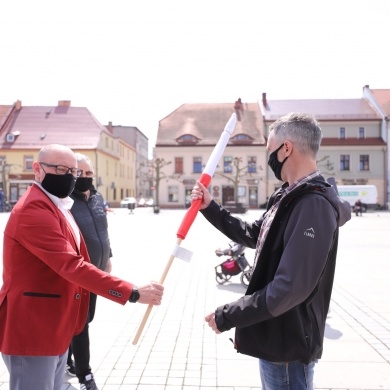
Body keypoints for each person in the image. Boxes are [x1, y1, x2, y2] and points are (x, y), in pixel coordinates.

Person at [191, 112, 351, 389]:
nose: (269, 158)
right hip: (276, 338)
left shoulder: (312, 205)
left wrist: (229, 315)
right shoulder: (287, 195)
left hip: (287, 345)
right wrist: (211, 208)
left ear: (286, 148)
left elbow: (288, 289)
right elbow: (255, 233)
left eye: (270, 150)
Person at [0, 144, 164, 390]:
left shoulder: (57, 205)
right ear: (37, 169)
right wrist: (133, 292)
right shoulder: (34, 209)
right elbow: (72, 265)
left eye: (73, 172)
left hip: (55, 325)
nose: (69, 177)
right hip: (33, 329)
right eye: (60, 169)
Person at [65, 153, 112, 389]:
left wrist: (109, 257)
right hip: (78, 274)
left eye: (89, 173)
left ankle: (67, 358)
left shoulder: (97, 197)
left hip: (98, 271)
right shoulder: (65, 202)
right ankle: (85, 375)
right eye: (79, 173)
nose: (85, 177)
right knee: (80, 323)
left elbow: (103, 229)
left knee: (86, 319)